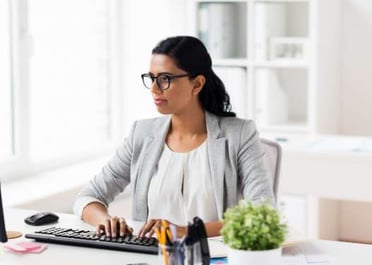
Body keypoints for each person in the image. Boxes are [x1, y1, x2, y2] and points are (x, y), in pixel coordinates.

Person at [73, 35, 275, 239]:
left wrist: (188, 232)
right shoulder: (142, 134)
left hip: (212, 259)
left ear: (196, 84)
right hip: (149, 260)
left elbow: (262, 212)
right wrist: (105, 221)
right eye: (152, 78)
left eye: (164, 79)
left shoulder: (239, 135)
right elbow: (89, 196)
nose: (153, 89)